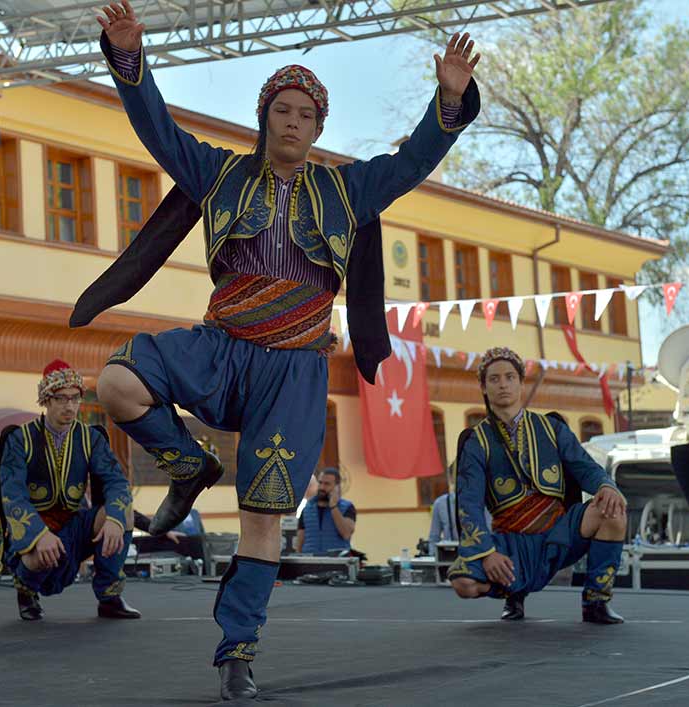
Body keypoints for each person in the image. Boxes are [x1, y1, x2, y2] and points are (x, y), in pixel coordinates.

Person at [92, 2, 481, 699]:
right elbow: (157, 129)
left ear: (318, 126)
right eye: (282, 109)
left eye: (305, 112)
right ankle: (190, 463)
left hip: (295, 370)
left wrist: (447, 101)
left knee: (264, 514)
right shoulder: (218, 173)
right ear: (264, 117)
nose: (292, 121)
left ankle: (236, 651)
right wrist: (130, 62)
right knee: (116, 382)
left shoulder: (348, 187)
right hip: (220, 345)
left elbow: (415, 159)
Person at [448, 347, 627, 624]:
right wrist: (487, 553)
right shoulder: (476, 441)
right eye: (494, 379)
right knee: (463, 583)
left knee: (612, 510)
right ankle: (513, 592)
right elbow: (468, 505)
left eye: (509, 377)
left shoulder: (551, 427)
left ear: (521, 382)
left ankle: (596, 600)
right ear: (483, 387)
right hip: (512, 540)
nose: (503, 384)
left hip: (562, 529)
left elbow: (584, 466)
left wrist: (606, 486)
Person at [0, 359, 140, 621]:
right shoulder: (20, 439)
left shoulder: (91, 438)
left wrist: (113, 519)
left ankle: (109, 597)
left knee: (123, 513)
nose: (70, 406)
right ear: (46, 400)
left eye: (75, 398)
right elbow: (12, 495)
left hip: (74, 524)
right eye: (61, 399)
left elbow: (116, 481)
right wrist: (38, 534)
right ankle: (25, 590)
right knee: (35, 558)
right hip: (38, 527)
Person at [295, 468, 356, 554]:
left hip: (337, 562)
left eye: (327, 484)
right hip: (310, 561)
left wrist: (334, 506)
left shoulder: (347, 507)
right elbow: (300, 540)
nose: (322, 487)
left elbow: (346, 534)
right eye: (320, 483)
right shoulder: (307, 508)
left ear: (337, 486)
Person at [428, 475, 459, 555]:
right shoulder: (440, 503)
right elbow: (434, 537)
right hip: (449, 558)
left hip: (476, 557)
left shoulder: (482, 503)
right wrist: (433, 558)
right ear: (451, 479)